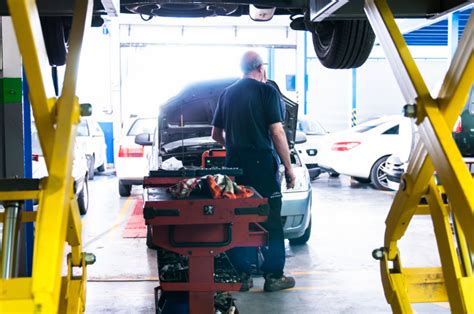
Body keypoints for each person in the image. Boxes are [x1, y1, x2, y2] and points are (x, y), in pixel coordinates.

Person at [211, 51, 296, 292]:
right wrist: (288, 168)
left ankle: (243, 276)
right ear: (260, 68)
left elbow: (215, 134)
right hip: (261, 165)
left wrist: (234, 148)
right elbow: (277, 132)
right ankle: (273, 276)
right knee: (270, 219)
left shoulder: (227, 94)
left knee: (239, 218)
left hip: (235, 167)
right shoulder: (267, 91)